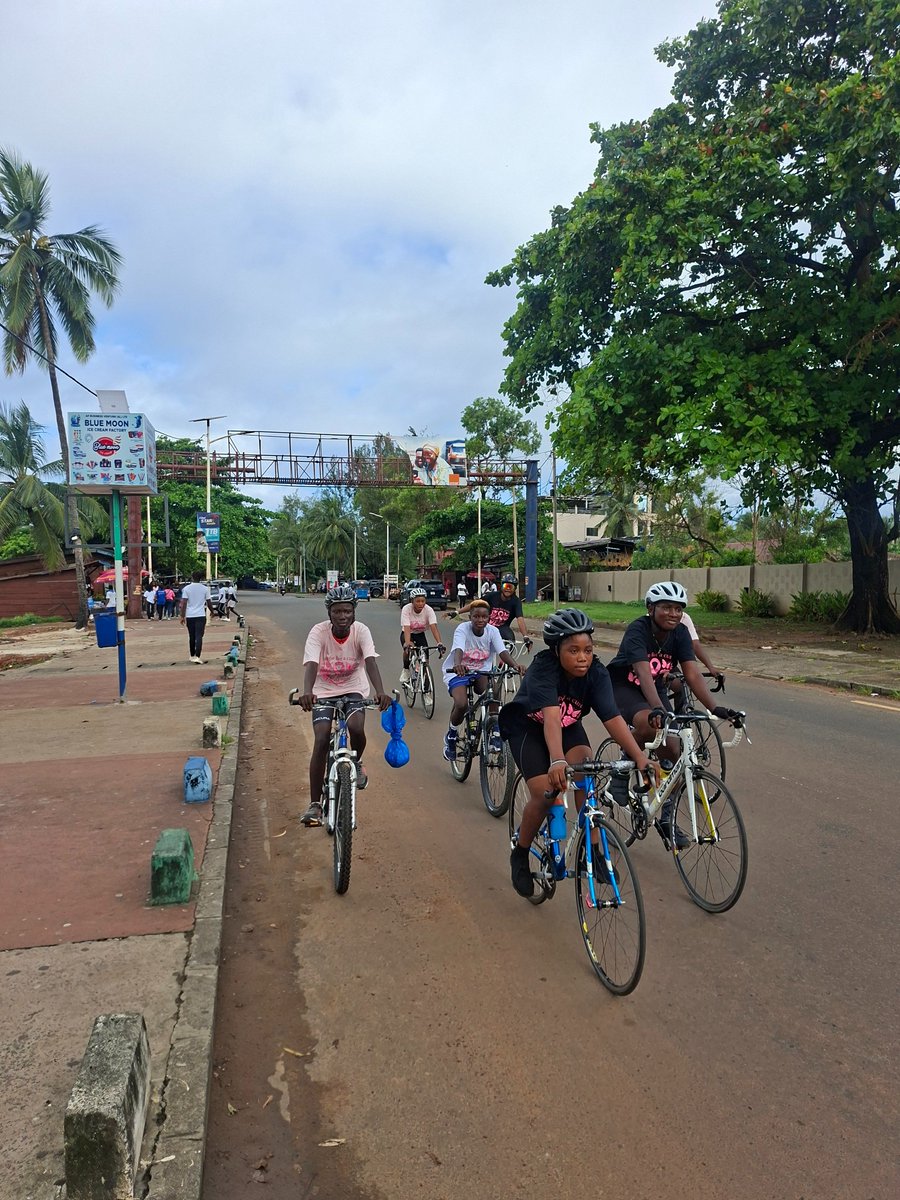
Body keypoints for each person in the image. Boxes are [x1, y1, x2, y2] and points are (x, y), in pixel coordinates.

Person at [502, 608, 656, 899]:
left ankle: (593, 848)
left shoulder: (596, 673)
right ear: (557, 649)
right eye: (573, 650)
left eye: (587, 649)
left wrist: (639, 756)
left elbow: (613, 719)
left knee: (586, 768)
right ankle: (520, 853)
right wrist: (557, 760)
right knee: (545, 794)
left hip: (568, 725)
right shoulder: (543, 669)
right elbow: (549, 717)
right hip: (528, 728)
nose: (582, 657)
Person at [606, 581, 739, 848]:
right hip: (624, 687)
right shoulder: (638, 630)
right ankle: (621, 769)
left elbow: (690, 672)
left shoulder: (679, 634)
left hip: (654, 688)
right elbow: (643, 673)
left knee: (678, 756)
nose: (673, 614)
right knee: (650, 724)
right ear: (650, 608)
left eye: (678, 609)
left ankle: (666, 817)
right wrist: (657, 709)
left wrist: (715, 709)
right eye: (666, 608)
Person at [294, 585, 391, 827]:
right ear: (329, 613)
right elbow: (311, 664)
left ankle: (356, 763)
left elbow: (370, 661)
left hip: (353, 688)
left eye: (347, 611)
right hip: (323, 691)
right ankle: (315, 804)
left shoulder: (361, 631)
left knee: (356, 727)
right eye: (337, 611)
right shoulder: (318, 632)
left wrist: (380, 692)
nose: (342, 616)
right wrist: (307, 693)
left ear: (354, 612)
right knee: (321, 737)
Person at [441, 598, 526, 761]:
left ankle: (494, 730)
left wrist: (515, 666)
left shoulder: (493, 631)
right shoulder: (462, 629)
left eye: (484, 617)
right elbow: (458, 648)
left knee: (492, 692)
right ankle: (451, 735)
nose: (480, 620)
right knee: (461, 704)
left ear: (489, 617)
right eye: (476, 617)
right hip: (458, 671)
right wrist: (458, 665)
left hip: (482, 671)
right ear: (470, 617)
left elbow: (502, 652)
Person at [457, 573, 533, 651]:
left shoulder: (516, 602)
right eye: (506, 586)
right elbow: (475, 604)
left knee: (511, 642)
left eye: (511, 587)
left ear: (515, 589)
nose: (508, 589)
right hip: (487, 626)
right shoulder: (492, 596)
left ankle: (504, 662)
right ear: (501, 586)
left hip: (502, 628)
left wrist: (525, 636)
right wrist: (457, 612)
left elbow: (520, 619)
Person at [399, 587, 446, 684]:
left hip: (420, 634)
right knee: (408, 649)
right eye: (418, 601)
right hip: (408, 634)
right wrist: (407, 644)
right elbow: (407, 627)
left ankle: (427, 688)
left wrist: (439, 643)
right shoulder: (406, 609)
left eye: (423, 601)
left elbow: (433, 627)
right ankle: (406, 669)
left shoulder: (428, 610)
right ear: (412, 601)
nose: (421, 604)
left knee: (425, 660)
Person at [179, 570, 214, 663]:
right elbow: (209, 602)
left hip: (190, 616)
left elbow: (184, 603)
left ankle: (192, 655)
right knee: (199, 636)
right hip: (201, 615)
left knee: (191, 636)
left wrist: (182, 616)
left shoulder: (187, 589)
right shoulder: (205, 589)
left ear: (192, 577)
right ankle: (198, 656)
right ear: (201, 578)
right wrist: (212, 612)